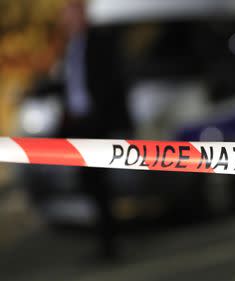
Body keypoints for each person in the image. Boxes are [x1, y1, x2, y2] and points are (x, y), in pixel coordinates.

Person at [60, 0, 132, 259]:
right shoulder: (69, 47)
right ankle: (105, 239)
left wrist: (97, 117)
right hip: (78, 125)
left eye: (69, 14)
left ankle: (109, 243)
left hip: (96, 125)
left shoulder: (100, 41)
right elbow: (70, 86)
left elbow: (110, 82)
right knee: (90, 185)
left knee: (100, 186)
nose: (65, 20)